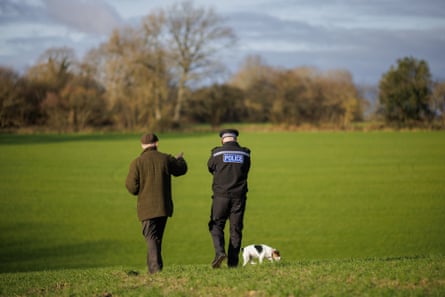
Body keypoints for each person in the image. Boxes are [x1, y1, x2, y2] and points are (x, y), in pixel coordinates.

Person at [125, 133, 187, 274]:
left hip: (146, 209)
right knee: (156, 238)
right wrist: (180, 160)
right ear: (157, 143)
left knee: (151, 238)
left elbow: (131, 187)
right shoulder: (166, 159)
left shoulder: (137, 162)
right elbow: (181, 170)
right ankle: (152, 269)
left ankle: (155, 270)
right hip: (163, 207)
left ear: (142, 145)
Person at [207, 128, 251, 268]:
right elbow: (246, 170)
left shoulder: (217, 153)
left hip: (221, 196)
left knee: (216, 225)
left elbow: (210, 167)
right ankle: (233, 263)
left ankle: (220, 252)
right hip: (239, 197)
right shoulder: (245, 153)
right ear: (236, 139)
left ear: (222, 140)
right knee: (235, 229)